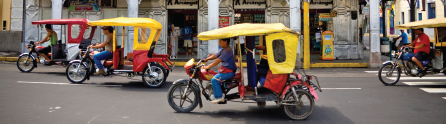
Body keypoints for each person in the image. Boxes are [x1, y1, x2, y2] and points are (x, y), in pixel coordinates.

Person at [203, 38, 237, 104]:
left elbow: (217, 61)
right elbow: (215, 55)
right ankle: (216, 91)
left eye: (220, 41)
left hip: (229, 72)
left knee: (214, 80)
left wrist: (208, 66)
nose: (219, 43)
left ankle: (219, 97)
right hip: (225, 70)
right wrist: (206, 59)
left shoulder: (227, 51)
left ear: (225, 41)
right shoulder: (224, 49)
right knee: (211, 73)